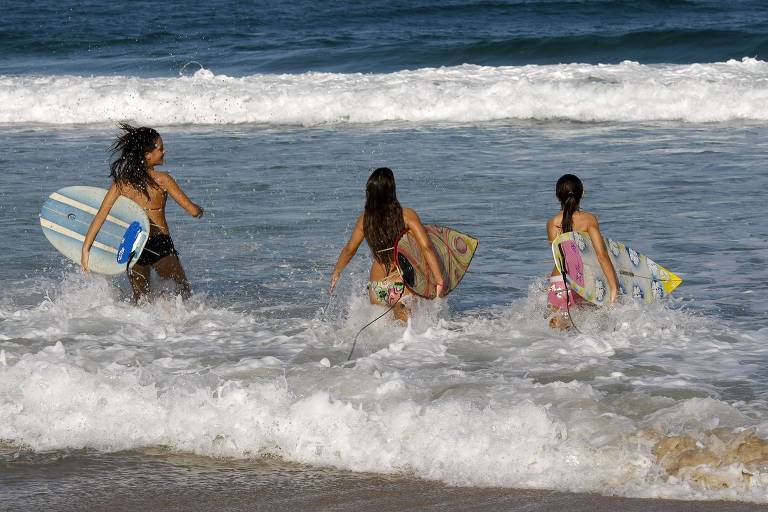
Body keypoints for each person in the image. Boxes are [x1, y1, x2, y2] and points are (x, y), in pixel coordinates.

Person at [81, 123, 203, 301]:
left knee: (140, 298)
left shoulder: (121, 184)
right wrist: (200, 210)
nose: (164, 152)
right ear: (147, 155)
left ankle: (135, 329)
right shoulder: (163, 179)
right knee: (183, 292)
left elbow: (101, 215)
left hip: (134, 246)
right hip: (159, 244)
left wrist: (86, 249)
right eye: (160, 148)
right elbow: (192, 210)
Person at [329, 167, 444, 321]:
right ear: (392, 190)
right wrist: (439, 280)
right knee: (405, 332)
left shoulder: (364, 219)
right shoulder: (406, 215)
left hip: (376, 290)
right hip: (402, 286)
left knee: (384, 331)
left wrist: (337, 272)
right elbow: (426, 247)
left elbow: (350, 249)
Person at [546, 174, 618, 329]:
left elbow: (560, 258)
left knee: (556, 335)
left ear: (557, 195)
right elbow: (601, 255)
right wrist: (613, 288)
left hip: (558, 282)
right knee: (588, 332)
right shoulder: (589, 219)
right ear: (582, 192)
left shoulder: (552, 222)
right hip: (584, 283)